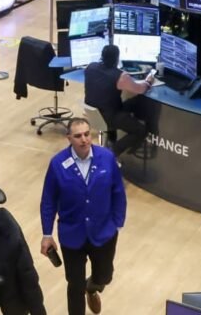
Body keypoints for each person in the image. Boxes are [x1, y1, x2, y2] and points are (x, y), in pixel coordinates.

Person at [40, 117, 127, 315]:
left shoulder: (106, 158)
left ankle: (92, 287)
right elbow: (48, 200)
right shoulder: (57, 164)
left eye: (87, 134)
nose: (84, 139)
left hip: (104, 232)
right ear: (69, 138)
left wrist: (117, 223)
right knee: (74, 285)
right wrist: (47, 234)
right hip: (72, 235)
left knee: (104, 276)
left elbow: (118, 192)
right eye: (78, 136)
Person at [83, 44, 153, 156]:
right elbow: (140, 89)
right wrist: (148, 81)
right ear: (117, 58)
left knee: (133, 102)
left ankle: (112, 140)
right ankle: (112, 152)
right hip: (109, 117)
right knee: (141, 130)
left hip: (94, 113)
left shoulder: (90, 67)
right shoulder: (120, 76)